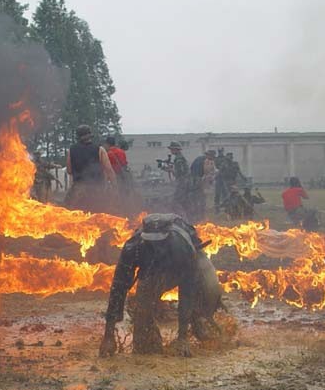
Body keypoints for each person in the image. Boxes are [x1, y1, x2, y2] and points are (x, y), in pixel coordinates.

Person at [99, 213, 224, 358]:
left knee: (208, 293)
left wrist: (182, 337)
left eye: (159, 243)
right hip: (151, 273)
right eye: (151, 244)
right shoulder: (133, 248)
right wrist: (108, 335)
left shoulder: (182, 248)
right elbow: (118, 288)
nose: (155, 248)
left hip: (186, 265)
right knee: (144, 343)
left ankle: (201, 324)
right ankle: (150, 344)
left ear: (168, 238)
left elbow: (188, 290)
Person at [65, 125, 116, 212]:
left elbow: (69, 171)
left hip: (78, 190)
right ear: (90, 136)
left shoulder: (71, 150)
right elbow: (109, 170)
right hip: (96, 189)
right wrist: (115, 187)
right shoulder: (100, 150)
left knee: (74, 215)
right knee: (98, 215)